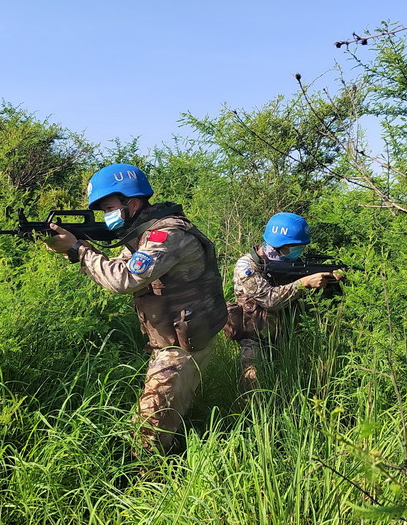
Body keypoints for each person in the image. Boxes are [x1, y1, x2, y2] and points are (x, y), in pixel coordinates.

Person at [44, 163, 228, 455]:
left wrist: (80, 250)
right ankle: (174, 454)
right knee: (169, 412)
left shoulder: (166, 234)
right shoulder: (144, 232)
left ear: (132, 202)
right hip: (181, 334)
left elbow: (123, 279)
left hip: (183, 344)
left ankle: (149, 481)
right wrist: (73, 248)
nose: (106, 216)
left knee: (150, 428)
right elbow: (119, 267)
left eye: (109, 208)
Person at [231, 212, 344, 390]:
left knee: (289, 383)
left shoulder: (294, 264)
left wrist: (330, 283)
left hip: (287, 335)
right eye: (294, 247)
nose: (298, 252)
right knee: (252, 381)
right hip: (254, 337)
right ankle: (248, 415)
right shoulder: (247, 266)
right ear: (278, 245)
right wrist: (303, 283)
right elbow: (269, 300)